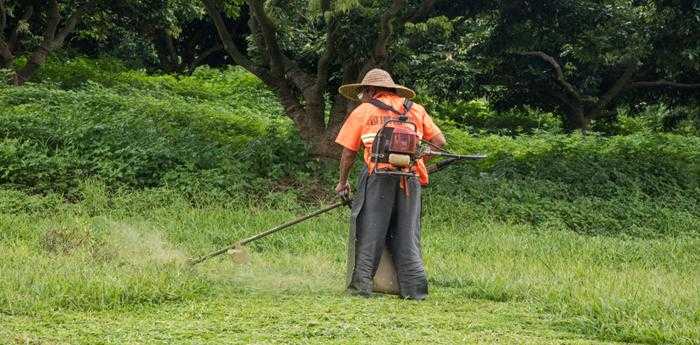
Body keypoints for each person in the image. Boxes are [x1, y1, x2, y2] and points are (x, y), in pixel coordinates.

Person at [334, 68, 446, 300]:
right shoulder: (415, 110)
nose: (362, 97)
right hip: (411, 178)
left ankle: (361, 287)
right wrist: (417, 161)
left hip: (378, 179)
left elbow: (348, 154)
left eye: (362, 93)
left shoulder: (364, 111)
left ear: (370, 90)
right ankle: (415, 291)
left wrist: (342, 183)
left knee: (370, 232)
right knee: (407, 234)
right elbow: (439, 142)